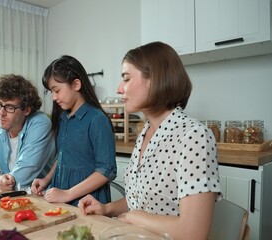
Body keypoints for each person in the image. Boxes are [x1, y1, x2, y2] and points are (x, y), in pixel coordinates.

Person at [78, 42, 222, 240]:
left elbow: (194, 233)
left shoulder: (194, 136)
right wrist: (106, 208)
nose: (119, 89)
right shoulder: (146, 132)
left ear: (155, 79)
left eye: (126, 79)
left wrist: (136, 218)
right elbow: (142, 200)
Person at [30, 55, 117, 206]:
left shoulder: (97, 119)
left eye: (57, 90)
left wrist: (68, 194)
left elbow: (106, 170)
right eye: (51, 92)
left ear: (76, 84)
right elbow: (62, 156)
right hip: (62, 196)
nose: (54, 97)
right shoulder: (64, 118)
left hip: (87, 201)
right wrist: (46, 180)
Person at [0, 74, 55, 191]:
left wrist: (3, 181)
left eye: (9, 107)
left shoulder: (40, 123)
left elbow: (24, 174)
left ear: (27, 109)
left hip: (43, 196)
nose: (1, 113)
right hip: (12, 196)